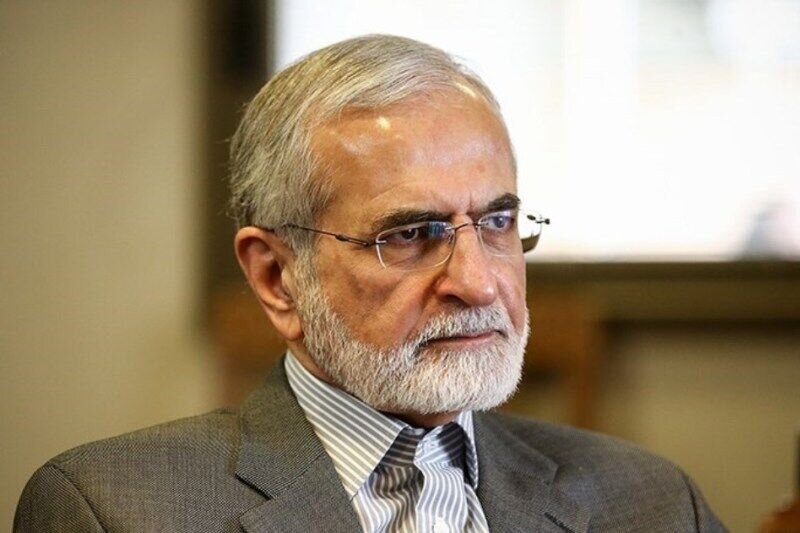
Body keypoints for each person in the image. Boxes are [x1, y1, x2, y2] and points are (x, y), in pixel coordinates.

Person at [14, 35, 726, 532]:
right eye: (411, 235)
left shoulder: (654, 501)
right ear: (277, 276)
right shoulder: (112, 508)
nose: (479, 283)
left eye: (498, 221)